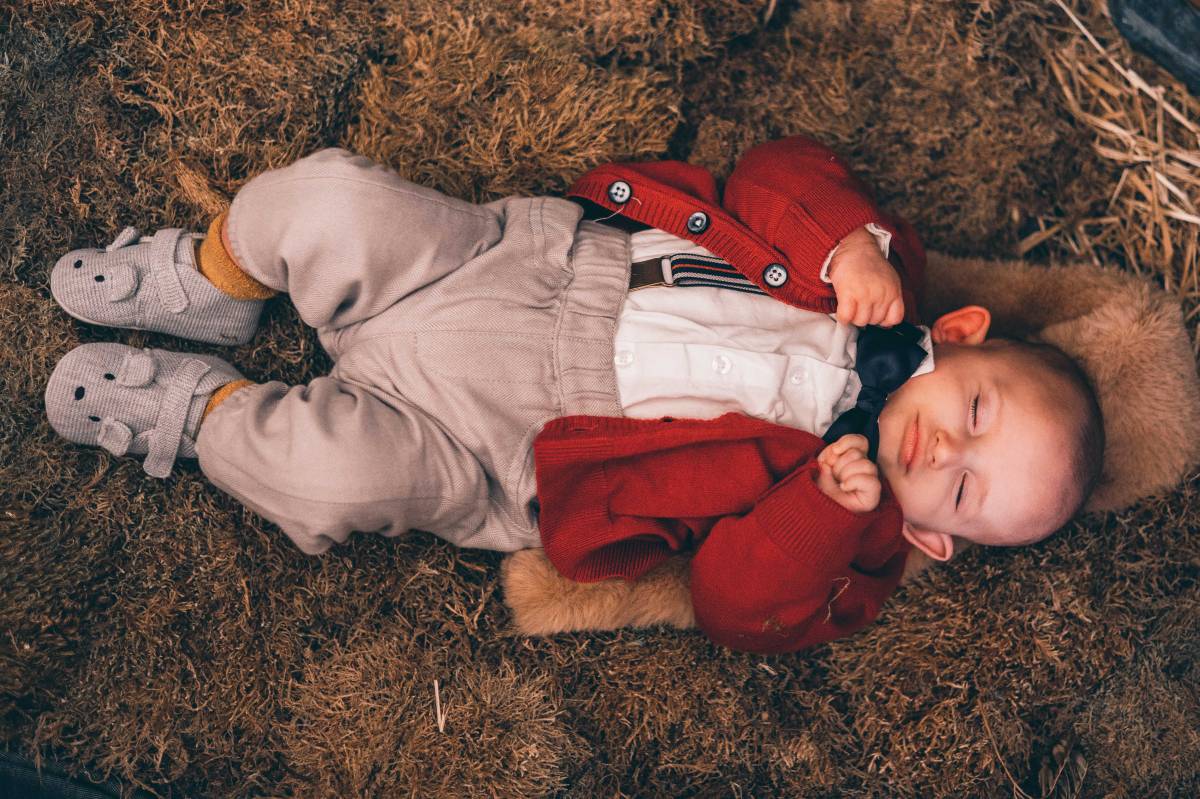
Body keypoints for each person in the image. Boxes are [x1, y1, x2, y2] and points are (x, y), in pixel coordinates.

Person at [43, 137, 1104, 653]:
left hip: (503, 450)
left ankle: (199, 417)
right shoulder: (878, 279)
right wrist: (846, 244)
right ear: (960, 338)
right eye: (974, 417)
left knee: (326, 483)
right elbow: (774, 171)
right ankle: (219, 279)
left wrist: (825, 511)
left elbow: (740, 607)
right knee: (326, 199)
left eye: (962, 495)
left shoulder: (851, 548)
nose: (939, 459)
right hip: (513, 270)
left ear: (934, 542)